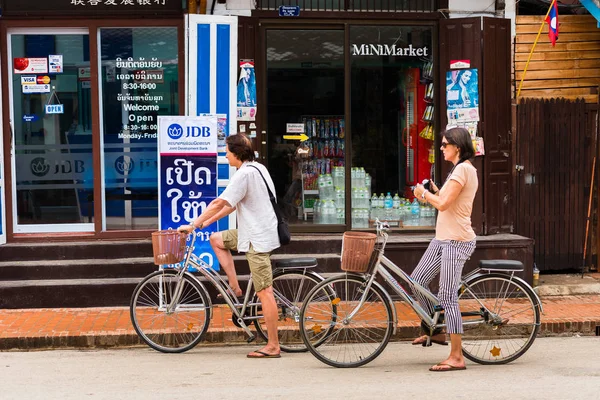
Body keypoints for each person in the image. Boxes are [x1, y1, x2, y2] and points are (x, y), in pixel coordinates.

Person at [178, 134, 281, 359]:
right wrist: (204, 224)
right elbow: (231, 206)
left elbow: (219, 203)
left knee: (265, 292)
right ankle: (234, 288)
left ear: (236, 152)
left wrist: (193, 224)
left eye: (226, 151)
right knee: (216, 239)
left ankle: (273, 346)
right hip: (252, 231)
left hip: (258, 238)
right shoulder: (257, 168)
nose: (225, 155)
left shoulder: (244, 174)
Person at [411, 127, 478, 372]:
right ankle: (436, 331)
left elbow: (444, 204)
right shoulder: (458, 169)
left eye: (444, 145)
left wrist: (425, 193)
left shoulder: (463, 169)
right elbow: (449, 200)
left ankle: (457, 356)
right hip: (442, 238)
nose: (441, 149)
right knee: (417, 280)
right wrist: (436, 192)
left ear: (457, 147)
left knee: (448, 296)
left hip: (456, 241)